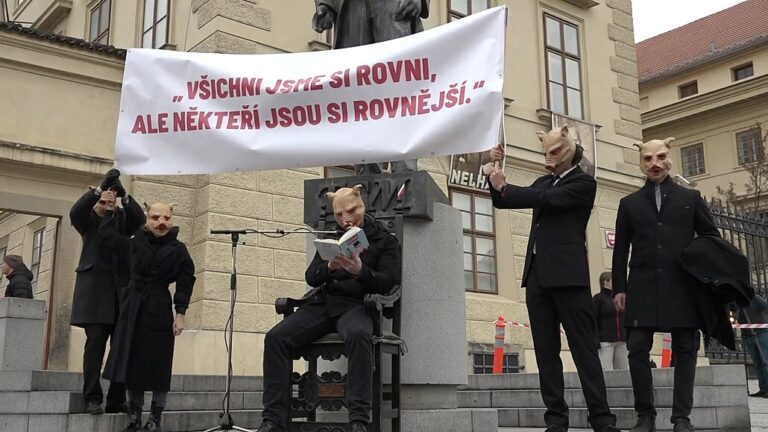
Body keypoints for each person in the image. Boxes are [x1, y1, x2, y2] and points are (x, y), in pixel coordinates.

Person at [489, 126, 618, 432]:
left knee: (584, 349)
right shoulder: (545, 181)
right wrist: (496, 177)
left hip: (569, 278)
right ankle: (556, 420)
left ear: (569, 148)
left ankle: (602, 419)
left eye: (554, 151)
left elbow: (547, 198)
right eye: (545, 152)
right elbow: (504, 201)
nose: (549, 159)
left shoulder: (584, 182)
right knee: (546, 353)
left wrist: (506, 187)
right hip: (537, 278)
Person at [255, 185, 401, 432]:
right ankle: (273, 420)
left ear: (361, 204)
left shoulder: (384, 240)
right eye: (339, 214)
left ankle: (358, 420)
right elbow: (311, 277)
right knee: (276, 338)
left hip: (358, 305)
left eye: (351, 211)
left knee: (358, 335)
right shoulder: (332, 239)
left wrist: (360, 272)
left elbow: (389, 282)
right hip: (324, 304)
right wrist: (329, 268)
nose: (346, 218)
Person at [612, 137, 720, 432]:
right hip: (642, 286)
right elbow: (620, 249)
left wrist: (707, 276)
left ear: (668, 158)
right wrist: (619, 288)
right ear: (641, 162)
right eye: (648, 158)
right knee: (636, 349)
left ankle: (681, 418)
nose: (654, 164)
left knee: (686, 350)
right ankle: (645, 416)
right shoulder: (629, 204)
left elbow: (712, 238)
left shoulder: (690, 199)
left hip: (684, 287)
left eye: (659, 157)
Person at [104, 202, 195, 432]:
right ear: (147, 218)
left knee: (159, 365)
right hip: (133, 307)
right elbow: (110, 250)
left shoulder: (179, 249)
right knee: (132, 364)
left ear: (172, 218)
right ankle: (134, 418)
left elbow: (186, 281)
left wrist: (180, 314)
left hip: (160, 308)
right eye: (155, 217)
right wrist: (110, 212)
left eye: (166, 217)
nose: (161, 222)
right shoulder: (133, 242)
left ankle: (155, 419)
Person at [312, 0, 429, 175]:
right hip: (352, 9)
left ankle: (405, 168)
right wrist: (325, 6)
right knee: (359, 94)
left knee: (401, 87)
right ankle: (366, 169)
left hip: (394, 7)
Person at [69, 168, 145, 414]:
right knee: (95, 347)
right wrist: (100, 189)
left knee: (121, 348)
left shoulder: (123, 222)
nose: (106, 204)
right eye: (102, 202)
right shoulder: (88, 222)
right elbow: (76, 212)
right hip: (95, 297)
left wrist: (123, 195)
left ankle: (116, 398)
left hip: (120, 295)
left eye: (109, 200)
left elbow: (139, 220)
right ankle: (92, 397)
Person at [593, 271, 628, 370]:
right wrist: (595, 338)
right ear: (606, 282)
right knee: (606, 369)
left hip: (622, 340)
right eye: (614, 281)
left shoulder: (619, 298)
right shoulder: (598, 299)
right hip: (605, 340)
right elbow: (594, 319)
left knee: (623, 369)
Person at [734, 294, 768, 398]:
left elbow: (764, 306)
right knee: (757, 363)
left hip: (761, 333)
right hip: (748, 334)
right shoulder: (735, 299)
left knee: (764, 361)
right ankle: (763, 388)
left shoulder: (753, 296)